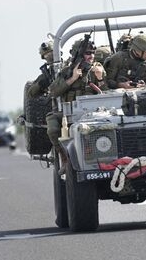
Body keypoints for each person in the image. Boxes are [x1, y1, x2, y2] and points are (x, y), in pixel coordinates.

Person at [46, 38, 107, 173]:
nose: (91, 56)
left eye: (92, 52)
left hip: (96, 112)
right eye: (87, 53)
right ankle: (64, 156)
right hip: (70, 113)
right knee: (52, 126)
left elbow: (108, 94)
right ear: (78, 55)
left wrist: (100, 79)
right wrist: (72, 79)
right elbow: (53, 91)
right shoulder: (67, 71)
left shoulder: (97, 70)